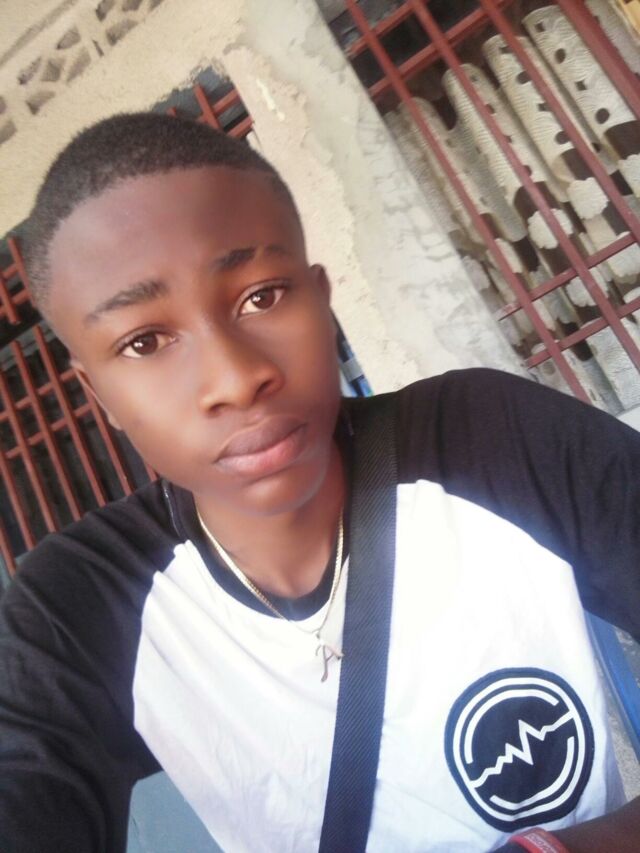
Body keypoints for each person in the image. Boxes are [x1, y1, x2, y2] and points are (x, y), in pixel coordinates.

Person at [0, 111, 639, 853]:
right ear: (99, 394)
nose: (236, 379)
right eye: (145, 341)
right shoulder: (83, 606)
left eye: (262, 296)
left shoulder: (492, 443)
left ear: (323, 303)